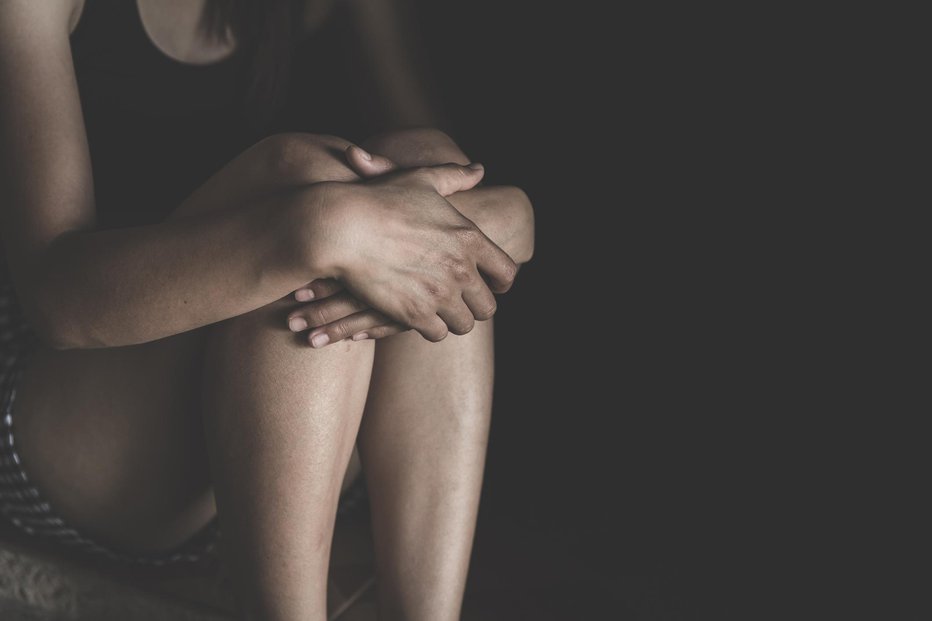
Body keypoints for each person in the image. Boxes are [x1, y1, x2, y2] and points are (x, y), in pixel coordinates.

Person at [0, 0, 534, 619]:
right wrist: (312, 228)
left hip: (272, 449)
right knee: (310, 192)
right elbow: (58, 302)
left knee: (414, 173)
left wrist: (511, 217)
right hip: (73, 424)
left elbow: (449, 195)